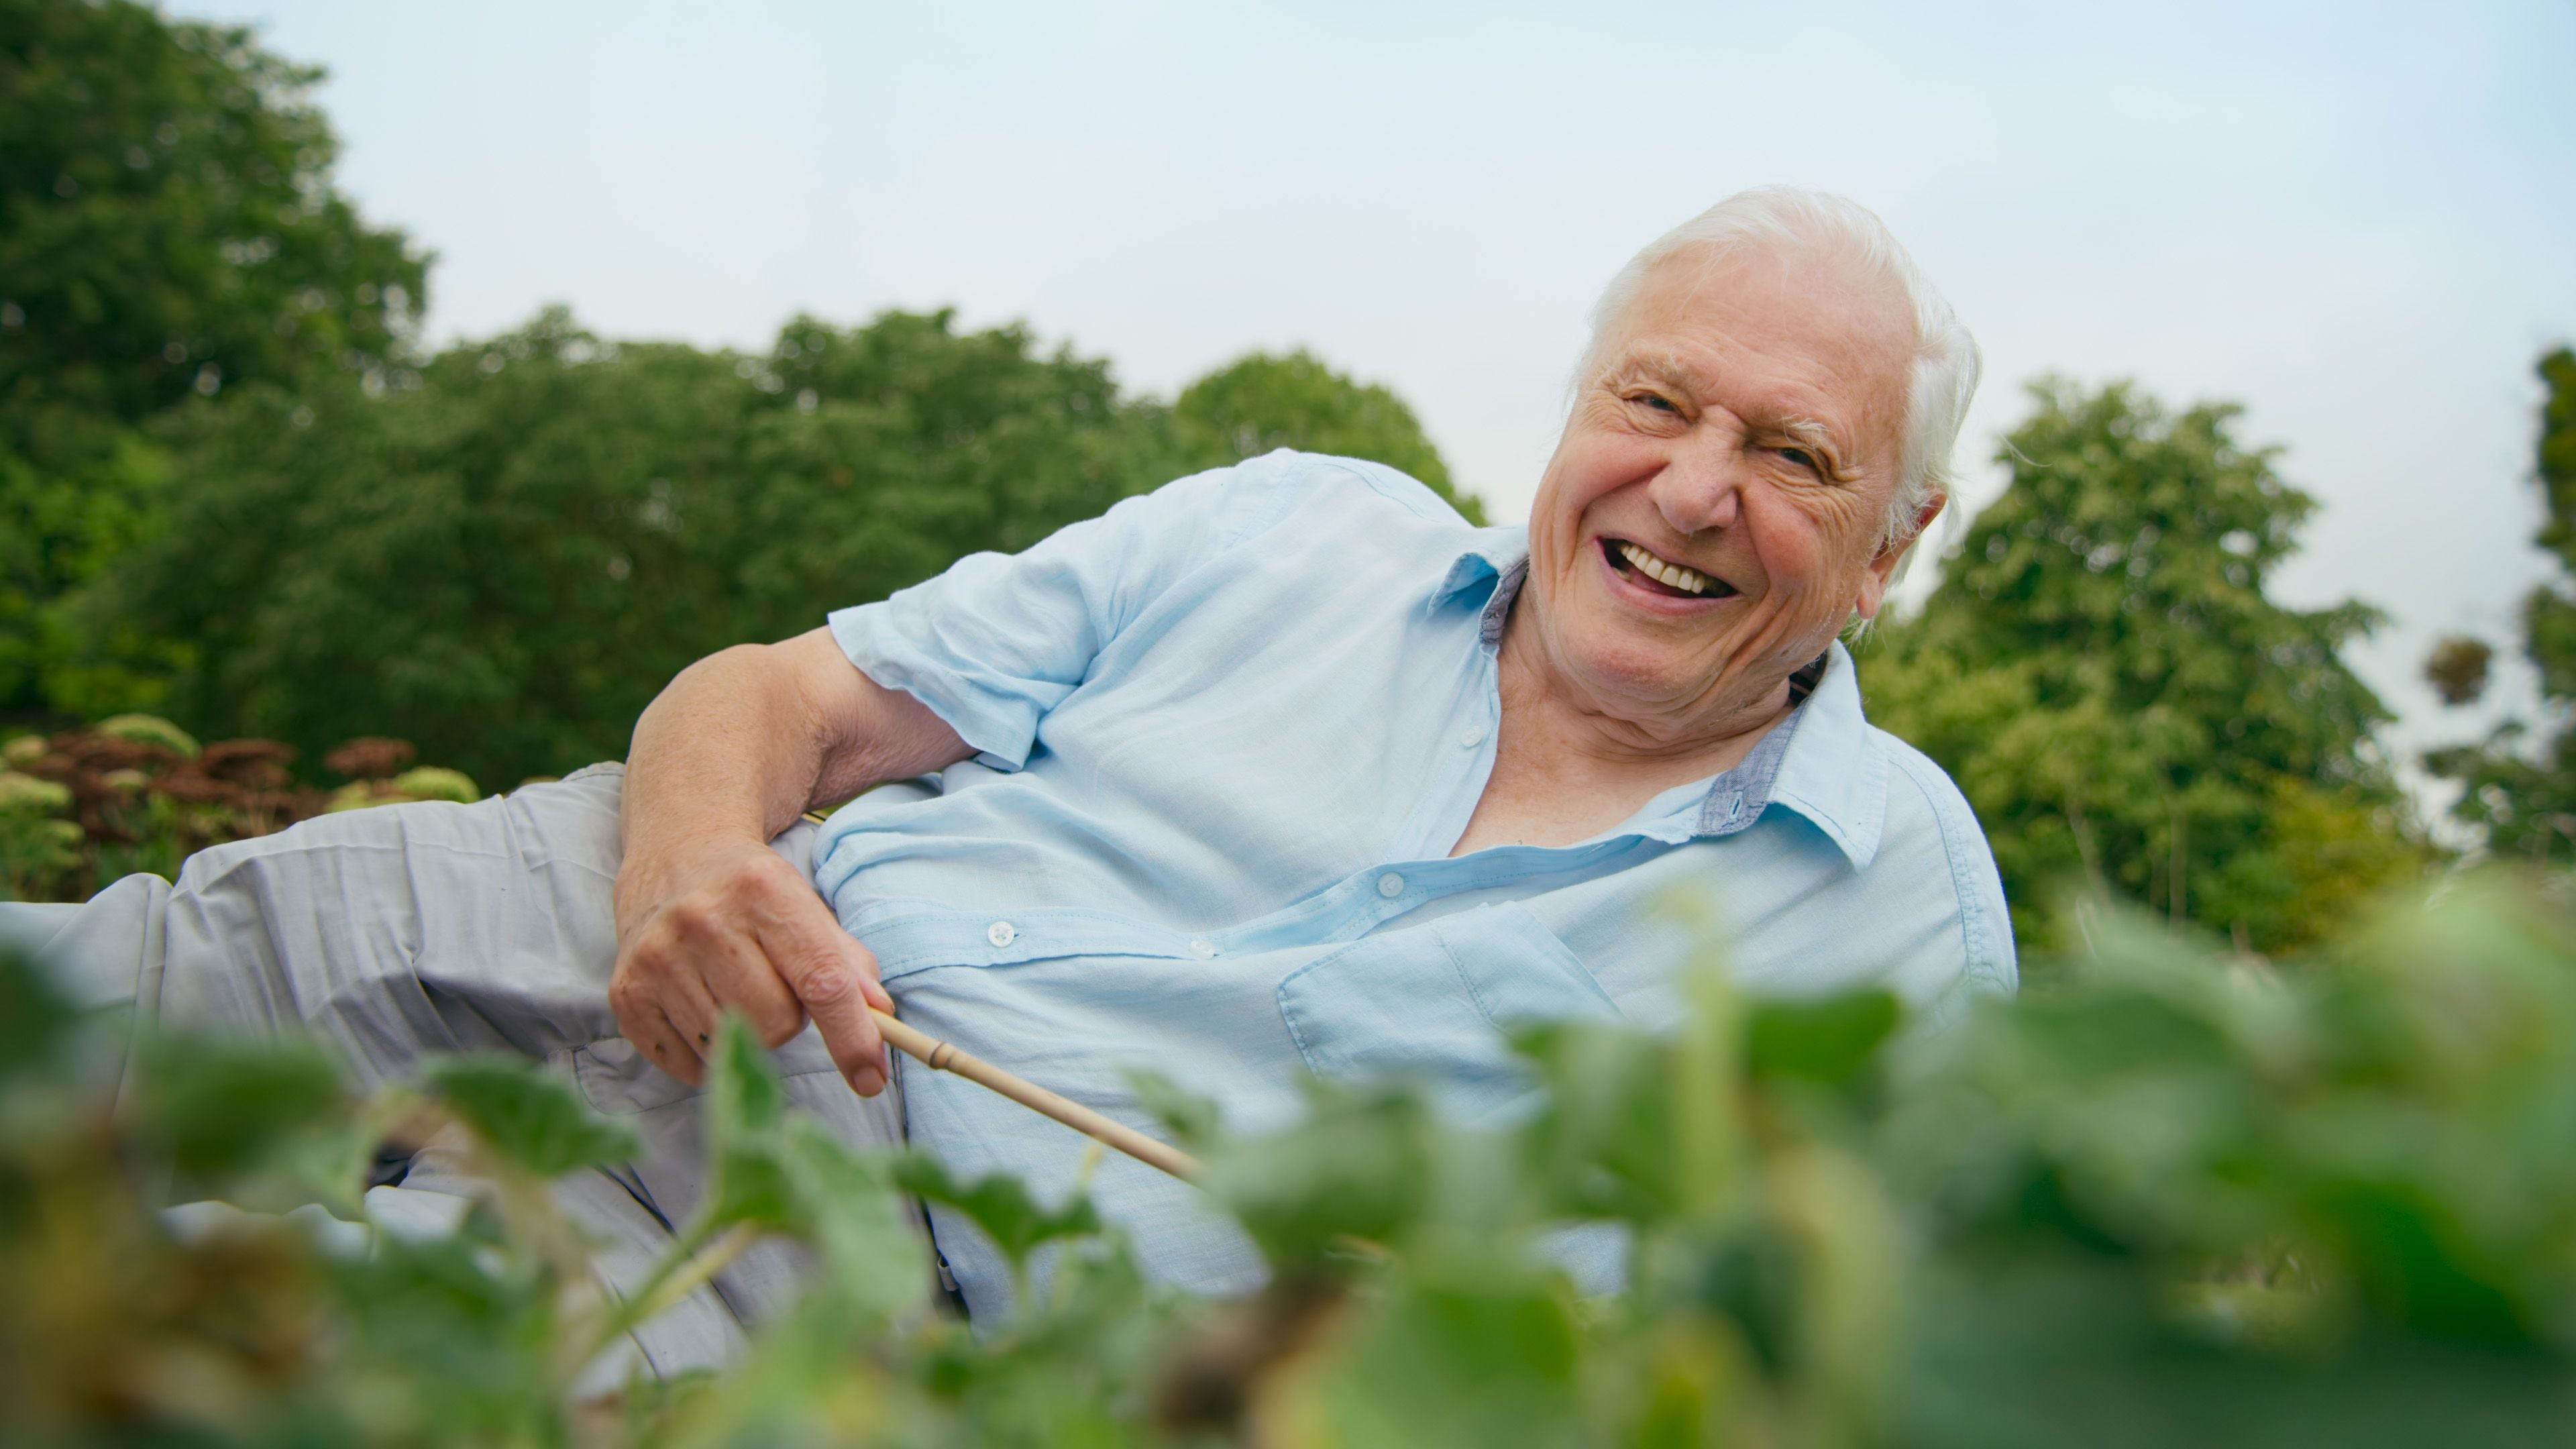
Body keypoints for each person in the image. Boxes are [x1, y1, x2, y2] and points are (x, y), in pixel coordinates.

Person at [2, 186, 2011, 1364]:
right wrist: (696, 853)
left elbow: (1866, 1346)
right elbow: (776, 692)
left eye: (1793, 454)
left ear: (1895, 539)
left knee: (230, 1354)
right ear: (1578, 409)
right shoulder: (1293, 527)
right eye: (1653, 403)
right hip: (659, 903)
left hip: (875, 1279)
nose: (1690, 490)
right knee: (78, 1008)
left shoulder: (1896, 886)